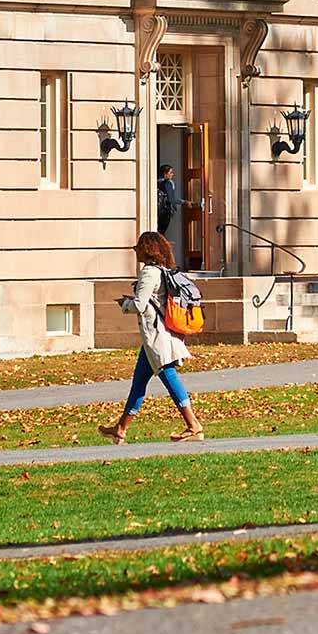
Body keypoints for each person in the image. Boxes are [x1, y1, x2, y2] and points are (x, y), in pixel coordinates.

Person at [99, 231, 204, 444]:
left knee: (169, 376)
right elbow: (149, 300)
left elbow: (139, 305)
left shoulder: (149, 273)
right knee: (139, 382)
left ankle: (193, 425)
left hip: (156, 336)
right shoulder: (161, 271)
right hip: (154, 337)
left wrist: (125, 304)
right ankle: (120, 428)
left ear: (146, 249)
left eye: (138, 246)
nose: (135, 250)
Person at [156, 164, 183, 242]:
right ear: (165, 174)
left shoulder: (156, 182)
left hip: (157, 211)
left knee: (158, 231)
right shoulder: (168, 183)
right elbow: (172, 199)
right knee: (162, 231)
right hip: (165, 211)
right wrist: (183, 203)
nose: (172, 174)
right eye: (170, 172)